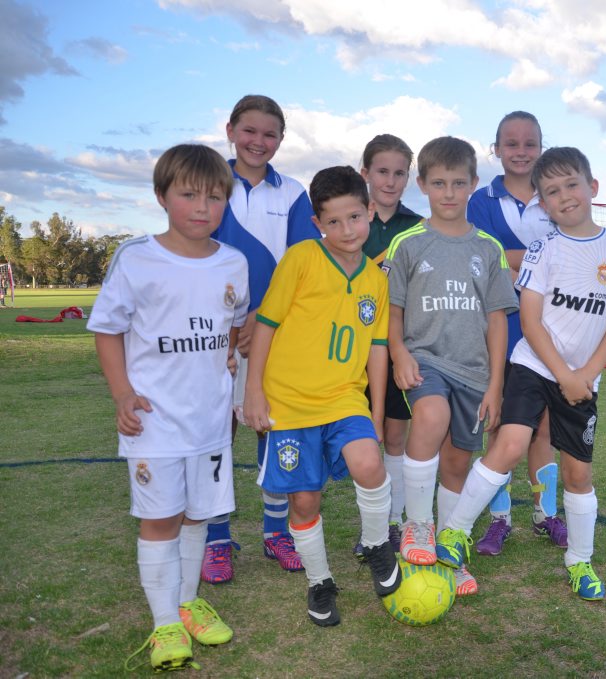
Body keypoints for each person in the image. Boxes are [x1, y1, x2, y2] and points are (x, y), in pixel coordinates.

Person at [434, 147, 606, 601]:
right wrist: (561, 371)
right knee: (508, 444)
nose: (564, 196)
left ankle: (580, 562)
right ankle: (454, 532)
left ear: (593, 188)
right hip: (532, 362)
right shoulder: (544, 248)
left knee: (577, 476)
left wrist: (585, 373)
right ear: (543, 206)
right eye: (552, 191)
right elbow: (529, 321)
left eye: (571, 185)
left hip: (583, 377)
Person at [89, 145, 248, 671]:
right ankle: (164, 625)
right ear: (162, 197)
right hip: (154, 421)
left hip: (209, 422)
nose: (202, 207)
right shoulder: (137, 258)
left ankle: (186, 602)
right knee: (160, 518)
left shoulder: (233, 262)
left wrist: (226, 358)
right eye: (188, 195)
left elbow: (232, 326)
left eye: (215, 197)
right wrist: (121, 395)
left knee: (198, 514)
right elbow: (108, 330)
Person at [242, 165, 400, 627]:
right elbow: (266, 327)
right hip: (289, 405)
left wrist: (374, 412)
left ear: (370, 211)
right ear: (317, 224)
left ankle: (376, 545)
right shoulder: (301, 259)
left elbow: (377, 351)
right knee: (305, 502)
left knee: (370, 462)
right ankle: (320, 580)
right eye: (333, 221)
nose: (346, 230)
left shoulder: (376, 280)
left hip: (344, 399)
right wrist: (254, 392)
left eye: (354, 217)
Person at [384, 136, 518, 595]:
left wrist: (496, 385)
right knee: (431, 415)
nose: (448, 193)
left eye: (458, 183)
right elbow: (392, 309)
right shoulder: (408, 243)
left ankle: (447, 546)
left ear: (473, 185)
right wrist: (400, 352)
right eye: (438, 183)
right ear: (421, 184)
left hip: (475, 373)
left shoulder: (489, 248)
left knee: (458, 464)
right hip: (424, 360)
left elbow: (498, 321)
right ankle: (417, 525)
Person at [204, 95, 320, 584]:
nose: (258, 141)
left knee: (270, 427)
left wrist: (260, 319)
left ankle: (275, 531)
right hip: (209, 330)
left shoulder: (293, 192)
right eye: (249, 131)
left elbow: (301, 265)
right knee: (215, 432)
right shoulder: (208, 182)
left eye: (269, 134)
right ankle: (215, 536)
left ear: (281, 139)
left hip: (272, 331)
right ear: (230, 130)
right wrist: (234, 322)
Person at [466, 111, 566, 557]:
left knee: (543, 426)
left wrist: (519, 259)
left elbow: (573, 254)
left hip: (553, 332)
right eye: (511, 143)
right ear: (497, 149)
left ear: (541, 148)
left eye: (529, 144)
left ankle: (547, 515)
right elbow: (486, 254)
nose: (520, 151)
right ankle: (499, 519)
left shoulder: (558, 197)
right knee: (499, 423)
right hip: (499, 328)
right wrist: (543, 258)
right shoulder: (480, 200)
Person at [351, 133, 424, 561]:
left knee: (393, 437)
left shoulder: (416, 226)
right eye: (382, 171)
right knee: (363, 442)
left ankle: (391, 524)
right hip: (353, 351)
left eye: (400, 173)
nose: (391, 181)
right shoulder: (350, 220)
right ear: (365, 174)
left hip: (396, 345)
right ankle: (373, 527)